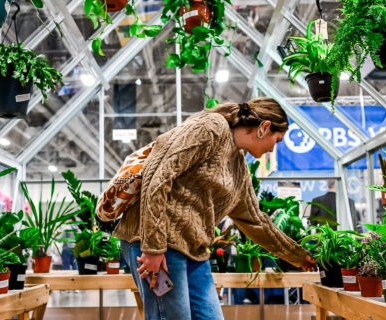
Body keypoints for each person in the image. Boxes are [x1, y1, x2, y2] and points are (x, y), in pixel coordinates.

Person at [112, 97, 317, 320]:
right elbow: (159, 173)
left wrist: (298, 255)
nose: (272, 149)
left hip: (194, 251)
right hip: (157, 245)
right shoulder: (212, 127)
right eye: (276, 141)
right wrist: (152, 246)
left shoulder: (239, 167)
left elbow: (256, 221)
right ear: (264, 127)